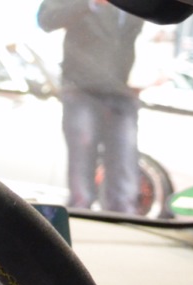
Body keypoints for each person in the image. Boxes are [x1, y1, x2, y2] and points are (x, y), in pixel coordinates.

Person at [38, 0, 145, 214]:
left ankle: (121, 217)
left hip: (120, 90)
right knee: (82, 169)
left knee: (125, 165)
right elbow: (46, 19)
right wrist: (90, 3)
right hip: (80, 89)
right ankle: (81, 214)